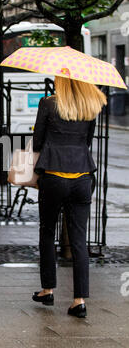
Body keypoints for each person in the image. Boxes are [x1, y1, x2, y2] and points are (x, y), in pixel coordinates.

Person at [32, 76, 107, 318]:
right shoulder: (90, 105)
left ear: (61, 81)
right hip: (82, 177)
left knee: (47, 230)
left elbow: (37, 141)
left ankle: (48, 289)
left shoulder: (48, 103)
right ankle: (79, 300)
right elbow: (87, 141)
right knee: (79, 239)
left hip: (54, 175)